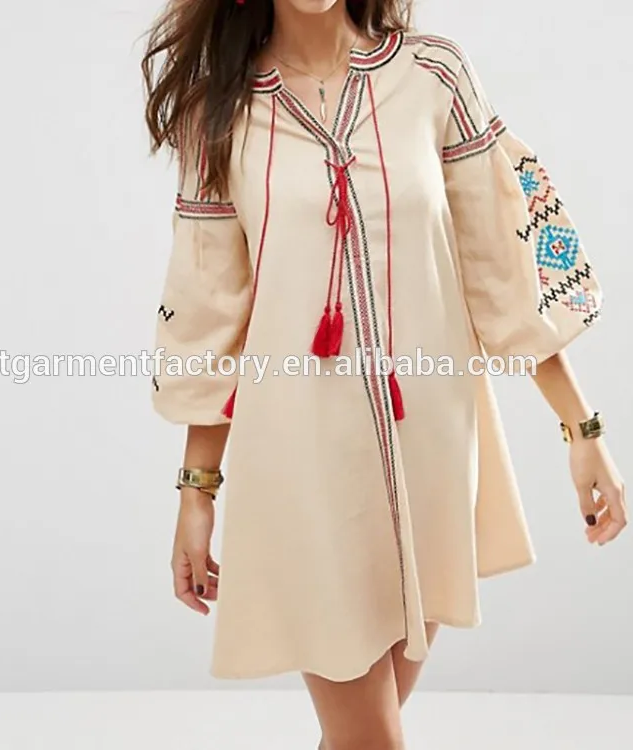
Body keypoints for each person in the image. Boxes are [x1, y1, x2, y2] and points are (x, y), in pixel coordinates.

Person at [142, 1, 627, 747]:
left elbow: (503, 269)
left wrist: (582, 429)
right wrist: (196, 491)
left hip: (430, 446)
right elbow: (210, 317)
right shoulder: (218, 115)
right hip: (301, 456)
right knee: (373, 738)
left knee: (358, 737)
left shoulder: (434, 75)